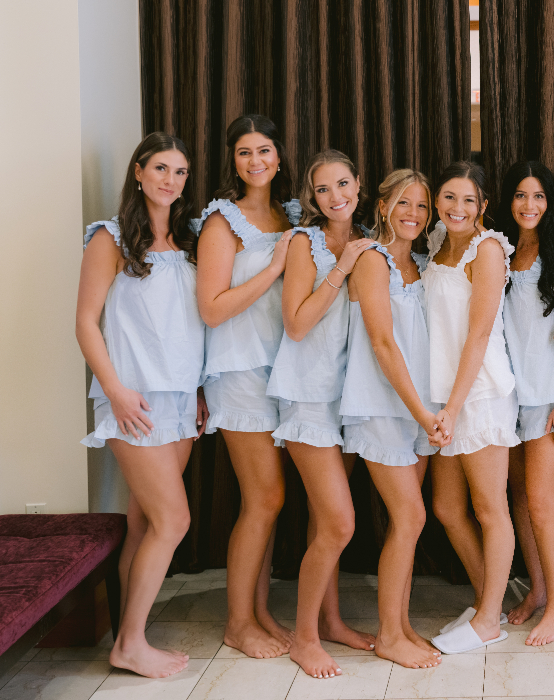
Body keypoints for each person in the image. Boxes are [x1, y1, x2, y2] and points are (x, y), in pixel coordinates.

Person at [77, 132, 205, 678]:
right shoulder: (109, 238)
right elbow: (86, 322)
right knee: (174, 519)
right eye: (160, 168)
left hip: (180, 400)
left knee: (144, 523)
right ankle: (128, 645)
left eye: (179, 172)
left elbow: (186, 326)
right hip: (135, 399)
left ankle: (131, 630)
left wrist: (198, 388)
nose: (170, 180)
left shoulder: (189, 240)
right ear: (137, 172)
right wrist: (115, 390)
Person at [195, 114, 302, 658]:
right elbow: (211, 310)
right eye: (244, 152)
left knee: (268, 502)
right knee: (264, 497)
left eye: (264, 150)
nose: (255, 160)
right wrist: (274, 266)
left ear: (279, 159)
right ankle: (238, 623)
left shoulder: (291, 216)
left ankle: (259, 612)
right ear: (233, 162)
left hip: (281, 370)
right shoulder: (221, 222)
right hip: (238, 371)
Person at [265, 149, 375, 678]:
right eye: (325, 189)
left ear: (359, 184)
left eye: (344, 184)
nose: (337, 196)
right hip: (308, 392)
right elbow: (297, 324)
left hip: (348, 394)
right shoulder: (307, 242)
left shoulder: (367, 240)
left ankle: (330, 621)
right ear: (312, 196)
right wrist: (344, 268)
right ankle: (303, 637)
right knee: (338, 521)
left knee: (320, 521)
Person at [341, 168, 446, 668]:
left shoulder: (424, 264)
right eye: (404, 203)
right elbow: (382, 344)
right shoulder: (371, 259)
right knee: (411, 516)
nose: (413, 214)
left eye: (422, 206)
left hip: (420, 409)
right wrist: (422, 411)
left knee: (408, 523)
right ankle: (388, 635)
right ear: (382, 206)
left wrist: (431, 411)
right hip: (383, 405)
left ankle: (401, 625)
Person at [424, 161, 519, 654]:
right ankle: (491, 598)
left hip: (479, 394)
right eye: (449, 198)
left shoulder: (487, 249)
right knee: (446, 507)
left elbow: (480, 333)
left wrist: (455, 406)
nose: (457, 208)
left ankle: (488, 620)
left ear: (483, 206)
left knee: (489, 508)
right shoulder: (437, 242)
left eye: (468, 200)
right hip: (443, 395)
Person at [497, 161, 554, 645]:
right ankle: (536, 590)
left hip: (547, 393)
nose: (529, 206)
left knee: (541, 502)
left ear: (550, 203)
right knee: (516, 499)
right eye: (520, 196)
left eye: (538, 197)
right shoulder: (499, 249)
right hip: (505, 395)